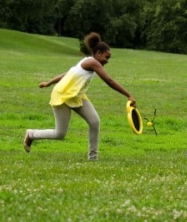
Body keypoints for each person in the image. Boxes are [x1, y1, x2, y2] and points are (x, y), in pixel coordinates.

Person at [23, 32, 136, 161]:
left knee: (94, 122)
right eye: (106, 57)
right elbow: (109, 81)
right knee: (60, 134)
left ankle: (93, 157)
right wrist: (128, 95)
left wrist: (48, 82)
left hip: (77, 95)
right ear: (98, 53)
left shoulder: (87, 62)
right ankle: (31, 134)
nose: (107, 61)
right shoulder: (91, 62)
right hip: (63, 95)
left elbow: (67, 73)